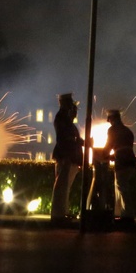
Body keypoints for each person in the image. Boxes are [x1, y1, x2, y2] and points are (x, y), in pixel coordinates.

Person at [50, 93, 83, 225]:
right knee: (61, 185)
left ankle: (62, 213)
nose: (71, 105)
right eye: (69, 103)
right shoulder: (62, 118)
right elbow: (64, 139)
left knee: (65, 186)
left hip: (67, 154)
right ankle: (58, 215)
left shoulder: (65, 119)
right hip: (65, 154)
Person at [107, 109, 136, 226]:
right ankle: (121, 214)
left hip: (122, 162)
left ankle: (128, 217)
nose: (108, 122)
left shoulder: (112, 130)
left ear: (112, 118)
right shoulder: (127, 131)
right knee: (121, 186)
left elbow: (109, 146)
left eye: (109, 119)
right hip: (131, 161)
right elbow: (124, 147)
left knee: (122, 186)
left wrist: (104, 154)